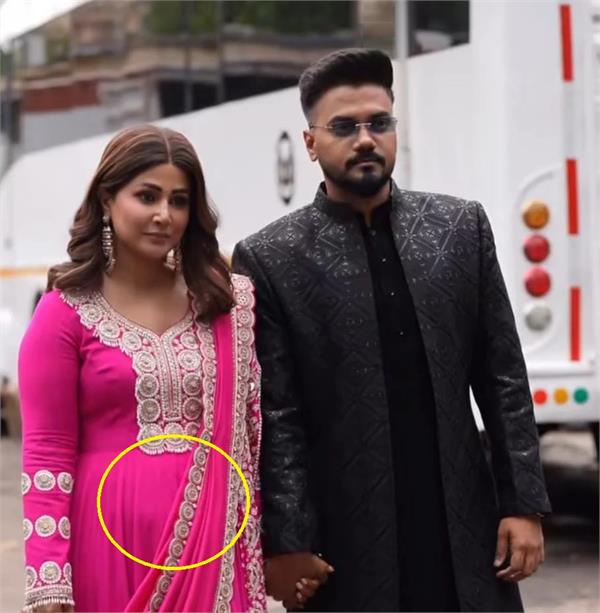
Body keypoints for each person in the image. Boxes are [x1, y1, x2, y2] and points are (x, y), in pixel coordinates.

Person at [233, 49, 552, 612]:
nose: (365, 139)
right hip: (347, 539)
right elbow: (277, 415)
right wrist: (287, 542)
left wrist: (522, 504)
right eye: (344, 127)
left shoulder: (458, 229)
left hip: (463, 523)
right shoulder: (271, 258)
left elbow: (503, 376)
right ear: (310, 143)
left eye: (379, 123)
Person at [18, 125, 318, 612]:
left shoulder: (225, 304)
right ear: (107, 200)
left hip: (217, 545)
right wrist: (49, 578)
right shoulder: (65, 312)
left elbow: (258, 434)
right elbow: (46, 453)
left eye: (179, 201)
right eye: (147, 196)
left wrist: (281, 544)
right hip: (107, 546)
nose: (164, 215)